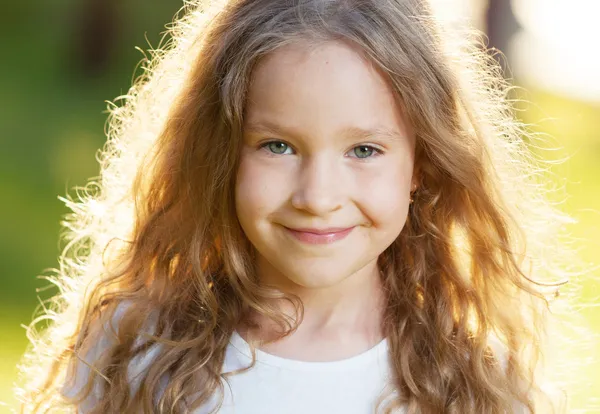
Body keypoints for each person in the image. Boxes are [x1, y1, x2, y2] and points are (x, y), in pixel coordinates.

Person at [17, 0, 576, 412]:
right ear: (221, 153)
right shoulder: (138, 347)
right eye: (278, 146)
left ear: (422, 165)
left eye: (364, 150)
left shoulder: (474, 382)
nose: (318, 197)